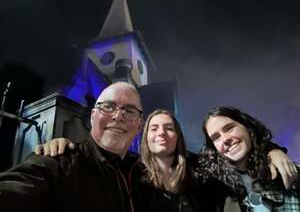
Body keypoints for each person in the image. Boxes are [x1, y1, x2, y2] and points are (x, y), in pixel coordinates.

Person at [37, 109, 297, 212]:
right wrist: (62, 145)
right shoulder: (130, 170)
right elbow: (95, 160)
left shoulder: (200, 169)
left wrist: (272, 150)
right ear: (144, 137)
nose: (162, 133)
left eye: (169, 128)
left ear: (178, 137)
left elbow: (236, 151)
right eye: (154, 128)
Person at [0, 82, 143, 212]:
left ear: (139, 126)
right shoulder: (62, 161)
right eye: (108, 106)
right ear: (93, 117)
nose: (118, 116)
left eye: (129, 110)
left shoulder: (143, 173)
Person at [202, 106, 300, 211]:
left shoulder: (289, 174)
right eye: (216, 138)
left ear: (247, 127)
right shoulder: (216, 188)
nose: (225, 139)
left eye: (229, 128)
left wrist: (275, 151)